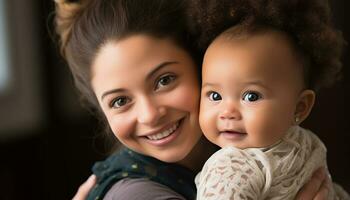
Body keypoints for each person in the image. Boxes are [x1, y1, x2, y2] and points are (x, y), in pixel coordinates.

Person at [53, 0, 332, 199]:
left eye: (164, 80)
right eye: (119, 101)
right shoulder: (134, 193)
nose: (150, 115)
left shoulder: (254, 142)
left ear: (201, 64)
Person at [189, 0, 349, 199]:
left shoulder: (229, 169)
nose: (227, 112)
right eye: (215, 96)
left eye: (251, 96)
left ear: (300, 107)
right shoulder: (307, 144)